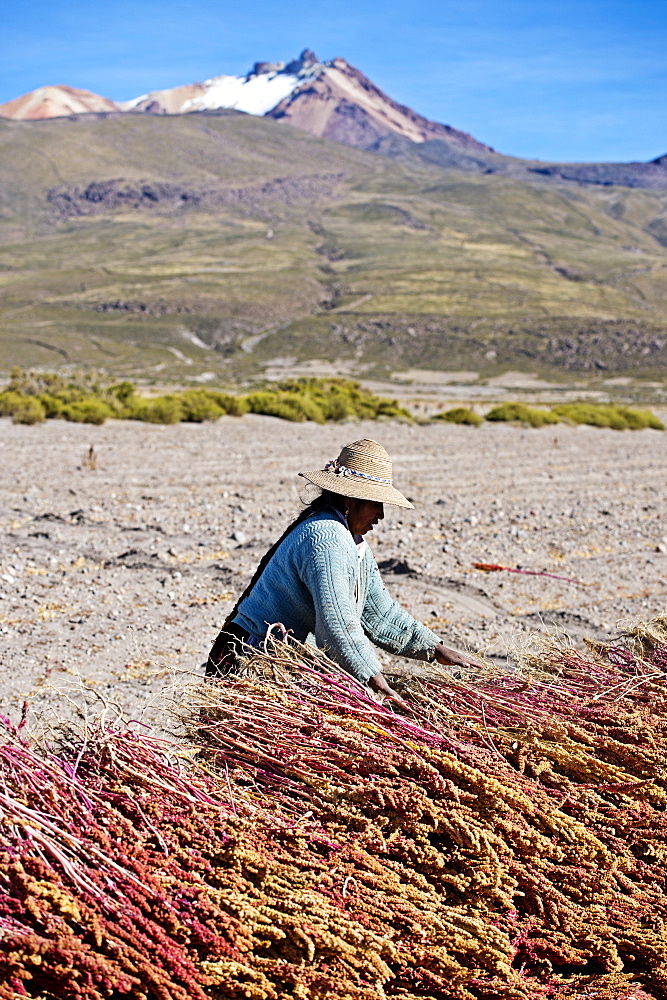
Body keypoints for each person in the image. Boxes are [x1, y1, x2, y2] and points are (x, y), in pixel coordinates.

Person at [206, 438, 481, 706]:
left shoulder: (352, 540)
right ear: (350, 499)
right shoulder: (328, 539)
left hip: (284, 657)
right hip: (252, 660)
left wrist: (435, 648)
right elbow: (336, 622)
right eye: (375, 503)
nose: (381, 515)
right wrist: (373, 677)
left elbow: (379, 612)